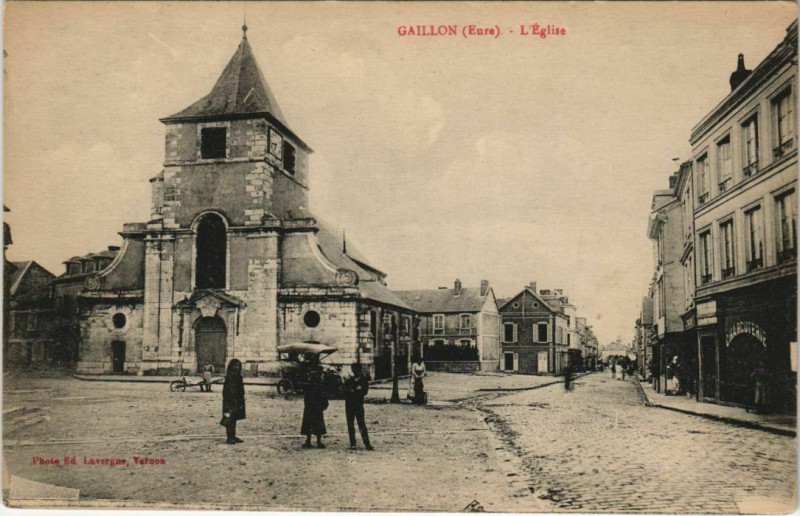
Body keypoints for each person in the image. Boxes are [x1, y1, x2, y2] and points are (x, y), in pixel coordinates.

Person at [343, 363, 374, 451]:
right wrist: (354, 390)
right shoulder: (349, 381)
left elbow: (364, 392)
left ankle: (367, 443)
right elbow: (344, 392)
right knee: (350, 425)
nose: (355, 372)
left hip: (358, 405)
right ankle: (353, 443)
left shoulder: (363, 381)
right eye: (354, 370)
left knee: (361, 424)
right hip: (349, 405)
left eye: (357, 370)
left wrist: (353, 391)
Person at [301, 355, 328, 449]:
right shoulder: (318, 375)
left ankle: (309, 441)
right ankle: (318, 442)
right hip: (315, 402)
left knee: (310, 421)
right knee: (317, 421)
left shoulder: (309, 374)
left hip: (311, 402)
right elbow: (322, 389)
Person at [220, 359, 245, 444]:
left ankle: (233, 436)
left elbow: (241, 390)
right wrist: (231, 400)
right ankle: (229, 437)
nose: (237, 368)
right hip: (229, 401)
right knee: (229, 418)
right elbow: (227, 391)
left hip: (237, 400)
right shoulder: (229, 377)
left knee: (234, 418)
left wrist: (241, 400)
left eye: (238, 366)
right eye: (235, 366)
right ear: (231, 367)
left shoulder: (239, 377)